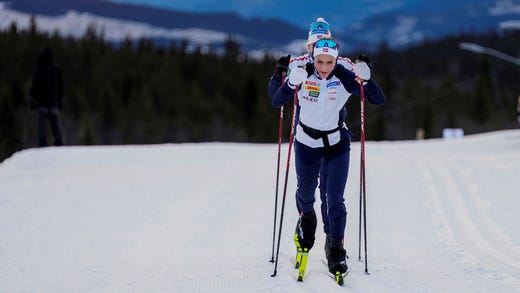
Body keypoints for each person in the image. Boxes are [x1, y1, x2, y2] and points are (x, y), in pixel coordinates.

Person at [272, 37, 386, 275]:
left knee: (335, 199)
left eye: (330, 62)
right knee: (305, 194)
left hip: (336, 144)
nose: (324, 67)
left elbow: (377, 98)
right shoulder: (304, 75)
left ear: (336, 60)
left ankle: (335, 249)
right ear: (313, 58)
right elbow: (277, 101)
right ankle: (307, 220)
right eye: (320, 61)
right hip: (306, 143)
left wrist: (367, 79)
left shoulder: (343, 77)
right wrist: (290, 84)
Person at [267, 17, 363, 261]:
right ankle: (306, 219)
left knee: (331, 196)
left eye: (322, 43)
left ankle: (333, 244)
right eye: (313, 45)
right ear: (308, 46)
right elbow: (275, 95)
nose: (316, 50)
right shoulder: (299, 63)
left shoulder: (339, 64)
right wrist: (279, 75)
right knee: (307, 190)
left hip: (333, 135)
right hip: (307, 136)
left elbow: (360, 82)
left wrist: (364, 75)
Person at [29, 47, 64, 147]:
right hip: (53, 103)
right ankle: (59, 142)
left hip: (42, 104)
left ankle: (42, 144)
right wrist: (60, 101)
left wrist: (32, 99)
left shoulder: (39, 69)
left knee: (42, 127)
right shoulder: (56, 70)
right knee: (55, 125)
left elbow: (35, 86)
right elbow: (61, 88)